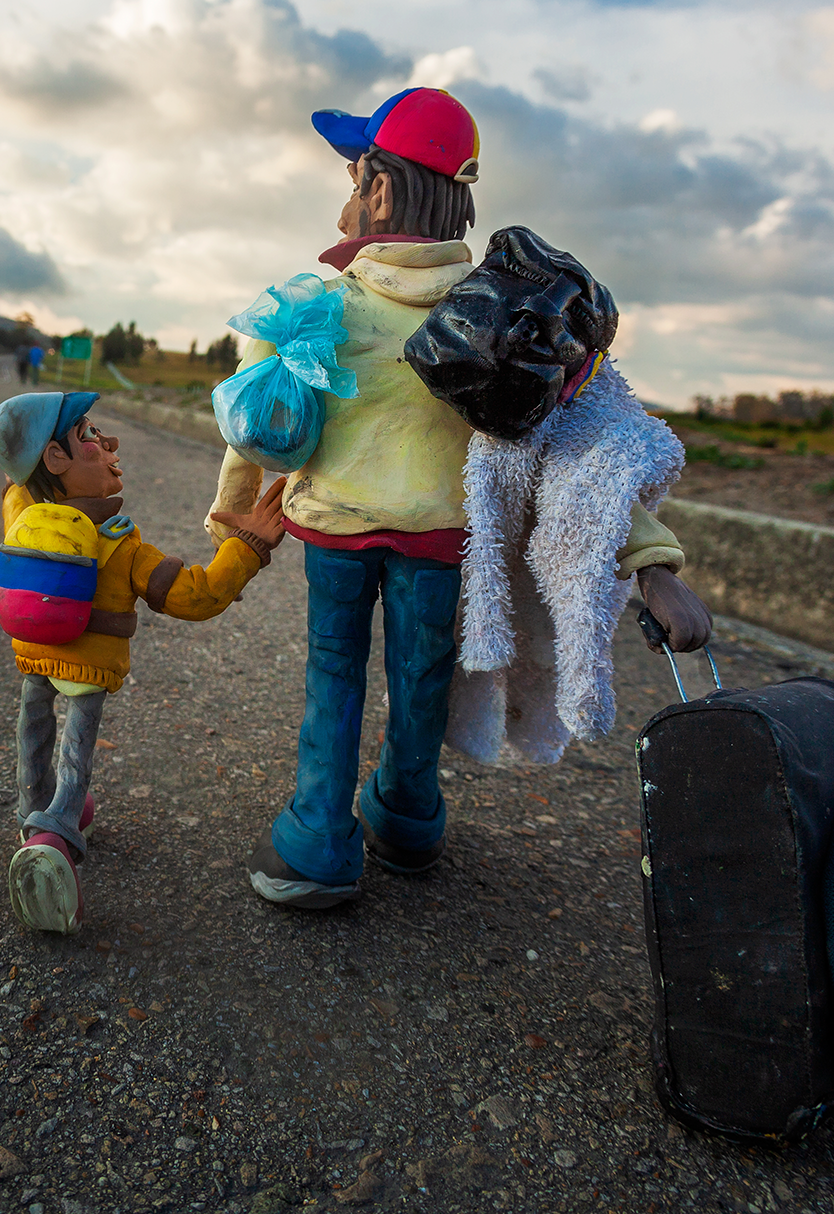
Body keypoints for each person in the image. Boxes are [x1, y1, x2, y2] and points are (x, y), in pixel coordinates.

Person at [206, 86, 713, 910]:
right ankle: (407, 816)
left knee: (333, 671)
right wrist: (651, 557)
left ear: (377, 188)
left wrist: (233, 506)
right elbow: (590, 444)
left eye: (352, 172)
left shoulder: (318, 302)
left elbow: (253, 417)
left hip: (336, 533)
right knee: (421, 676)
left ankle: (317, 840)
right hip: (444, 540)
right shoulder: (505, 312)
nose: (345, 195)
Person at [0, 391, 288, 932]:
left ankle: (35, 812)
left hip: (32, 653)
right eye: (88, 437)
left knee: (33, 730)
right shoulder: (121, 548)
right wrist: (248, 544)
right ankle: (56, 834)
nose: (110, 444)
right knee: (75, 753)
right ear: (55, 460)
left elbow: (15, 484)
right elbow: (194, 597)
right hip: (87, 668)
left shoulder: (21, 512)